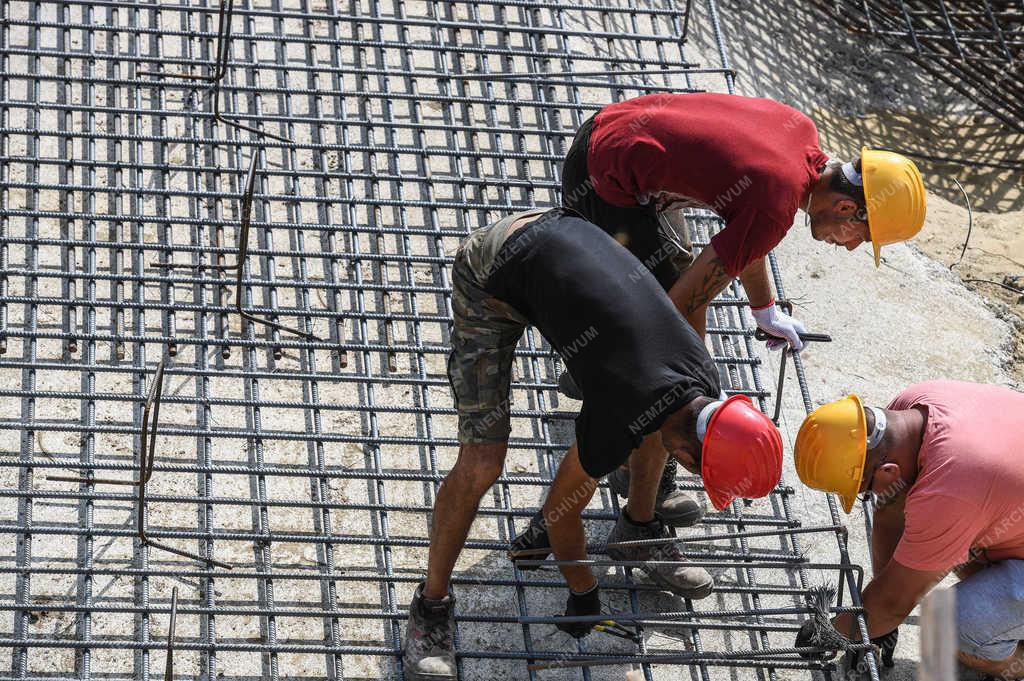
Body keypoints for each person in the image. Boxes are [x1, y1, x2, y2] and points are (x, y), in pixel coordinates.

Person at [402, 207, 784, 680]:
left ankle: (636, 530)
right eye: (696, 469)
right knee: (483, 463)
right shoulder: (623, 408)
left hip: (563, 236)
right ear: (689, 454)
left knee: (654, 426)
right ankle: (430, 605)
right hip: (494, 269)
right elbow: (564, 511)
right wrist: (584, 591)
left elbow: (661, 424)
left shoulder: (703, 381)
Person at [560, 91, 926, 519]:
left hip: (613, 133)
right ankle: (643, 514)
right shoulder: (777, 203)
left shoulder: (801, 136)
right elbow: (678, 308)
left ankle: (590, 371)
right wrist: (695, 394)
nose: (848, 249)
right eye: (858, 237)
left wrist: (764, 308)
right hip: (605, 181)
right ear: (847, 207)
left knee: (671, 292)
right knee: (670, 377)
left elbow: (746, 232)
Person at [792, 380, 1024, 678]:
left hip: (975, 498)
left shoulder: (948, 489)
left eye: (865, 490)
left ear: (889, 472)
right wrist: (875, 620)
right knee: (952, 546)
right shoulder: (910, 406)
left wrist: (834, 632)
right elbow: (891, 512)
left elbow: (894, 602)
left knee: (946, 626)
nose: (871, 497)